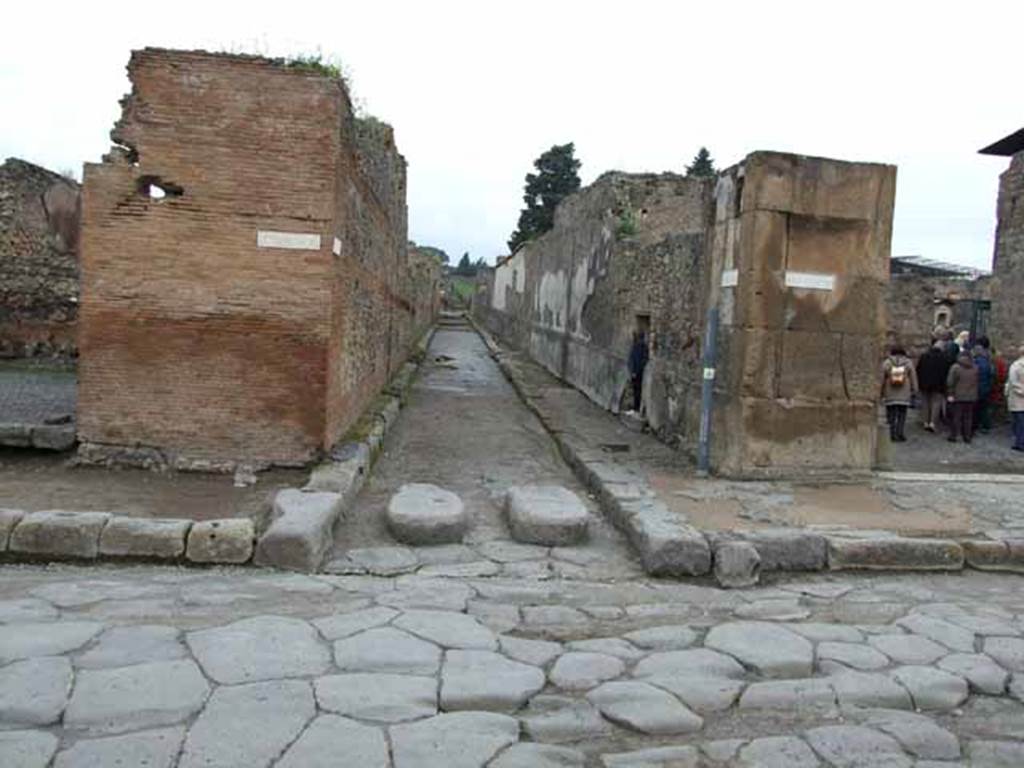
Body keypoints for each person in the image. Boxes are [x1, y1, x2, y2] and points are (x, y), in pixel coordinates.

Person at [881, 344, 918, 442]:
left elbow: (882, 378)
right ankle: (900, 433)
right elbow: (913, 377)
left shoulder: (887, 362)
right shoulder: (908, 362)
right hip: (904, 392)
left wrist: (881, 391)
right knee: (902, 415)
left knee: (891, 415)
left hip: (890, 392)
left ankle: (891, 433)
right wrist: (915, 390)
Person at [916, 338, 950, 432]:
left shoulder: (924, 356)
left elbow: (918, 369)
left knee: (925, 402)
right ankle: (932, 422)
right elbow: (946, 373)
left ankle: (925, 421)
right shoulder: (944, 358)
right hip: (938, 384)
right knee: (936, 403)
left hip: (925, 383)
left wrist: (919, 382)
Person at [946, 350, 979, 443]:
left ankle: (954, 435)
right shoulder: (975, 368)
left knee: (956, 416)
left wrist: (950, 393)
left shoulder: (956, 367)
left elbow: (950, 382)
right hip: (971, 396)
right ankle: (967, 436)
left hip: (958, 395)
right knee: (968, 418)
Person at [972, 337, 994, 435]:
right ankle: (985, 425)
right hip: (986, 387)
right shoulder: (988, 361)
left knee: (976, 408)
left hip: (978, 387)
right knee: (984, 407)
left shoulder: (977, 362)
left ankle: (975, 426)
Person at [627, 329, 649, 414]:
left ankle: (636, 406)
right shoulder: (643, 347)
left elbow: (635, 360)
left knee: (637, 390)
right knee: (637, 390)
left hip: (637, 372)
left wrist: (634, 372)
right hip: (639, 372)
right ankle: (637, 406)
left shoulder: (638, 347)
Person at [1008, 344, 1024, 452]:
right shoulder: (1017, 366)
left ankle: (1019, 443)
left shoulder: (1016, 365)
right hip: (1019, 398)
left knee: (1019, 422)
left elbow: (1013, 382)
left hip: (1018, 397)